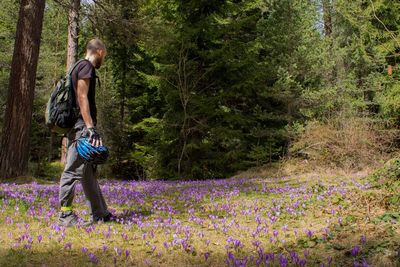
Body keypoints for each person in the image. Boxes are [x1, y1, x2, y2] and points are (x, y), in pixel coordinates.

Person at [58, 38, 113, 227]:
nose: (102, 59)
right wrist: (90, 127)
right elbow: (82, 97)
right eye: (103, 55)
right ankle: (65, 216)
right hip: (82, 126)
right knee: (72, 169)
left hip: (78, 125)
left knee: (87, 171)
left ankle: (100, 213)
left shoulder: (76, 67)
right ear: (99, 52)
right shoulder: (86, 67)